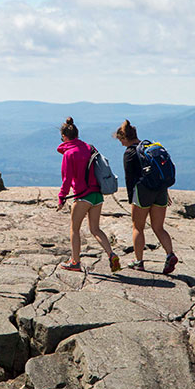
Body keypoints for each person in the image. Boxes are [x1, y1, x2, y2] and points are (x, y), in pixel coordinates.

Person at [57, 117, 121, 273]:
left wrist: (61, 198)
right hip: (97, 195)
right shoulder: (89, 147)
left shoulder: (69, 154)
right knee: (95, 229)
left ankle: (75, 262)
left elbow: (67, 180)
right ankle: (111, 254)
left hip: (82, 196)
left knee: (74, 229)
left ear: (65, 137)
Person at [114, 119, 178, 274]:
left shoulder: (130, 152)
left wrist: (132, 198)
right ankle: (170, 254)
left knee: (138, 227)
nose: (121, 144)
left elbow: (130, 178)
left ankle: (139, 261)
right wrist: (164, 190)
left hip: (143, 192)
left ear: (124, 138)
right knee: (158, 227)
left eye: (120, 140)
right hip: (160, 190)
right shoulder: (149, 148)